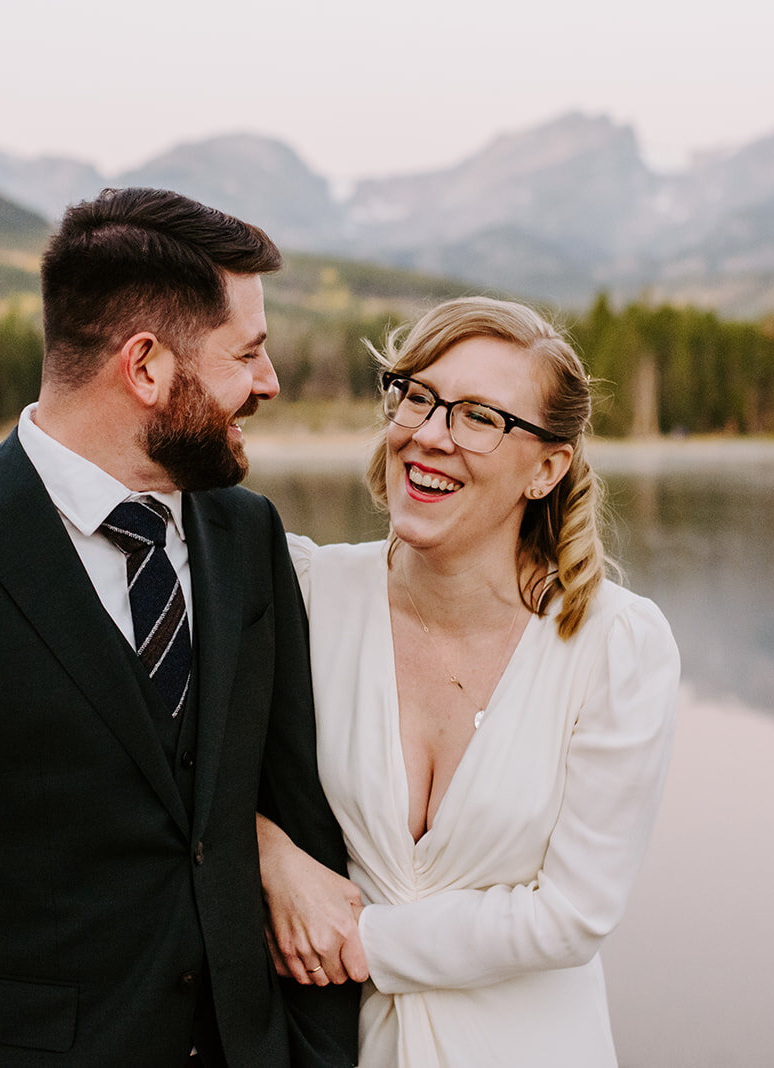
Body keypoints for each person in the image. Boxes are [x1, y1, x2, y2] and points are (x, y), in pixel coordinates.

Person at [0, 188, 358, 1068]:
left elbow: (295, 809)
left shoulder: (247, 535)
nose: (268, 383)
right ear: (147, 367)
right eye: (248, 353)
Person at [255, 297, 679, 1067]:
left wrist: (359, 939)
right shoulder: (305, 590)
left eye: (479, 417)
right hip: (336, 1048)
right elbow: (175, 756)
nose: (428, 434)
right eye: (417, 396)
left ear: (547, 468)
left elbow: (573, 915)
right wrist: (266, 852)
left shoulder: (617, 645)